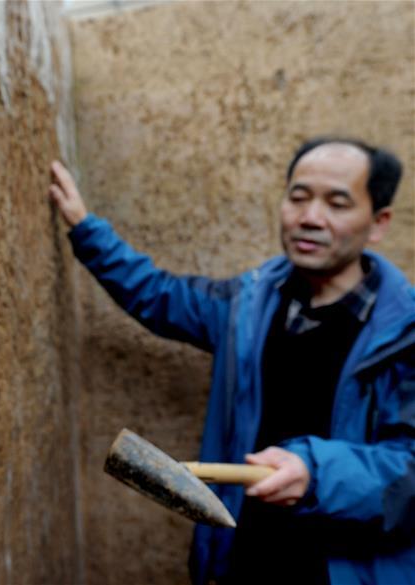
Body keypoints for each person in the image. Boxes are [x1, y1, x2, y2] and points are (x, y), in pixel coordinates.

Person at [48, 138, 414, 585]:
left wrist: (317, 472)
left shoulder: (405, 335)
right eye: (298, 197)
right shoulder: (247, 305)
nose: (310, 217)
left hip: (343, 570)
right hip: (243, 558)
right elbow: (160, 296)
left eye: (337, 203)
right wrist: (87, 231)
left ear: (378, 223)